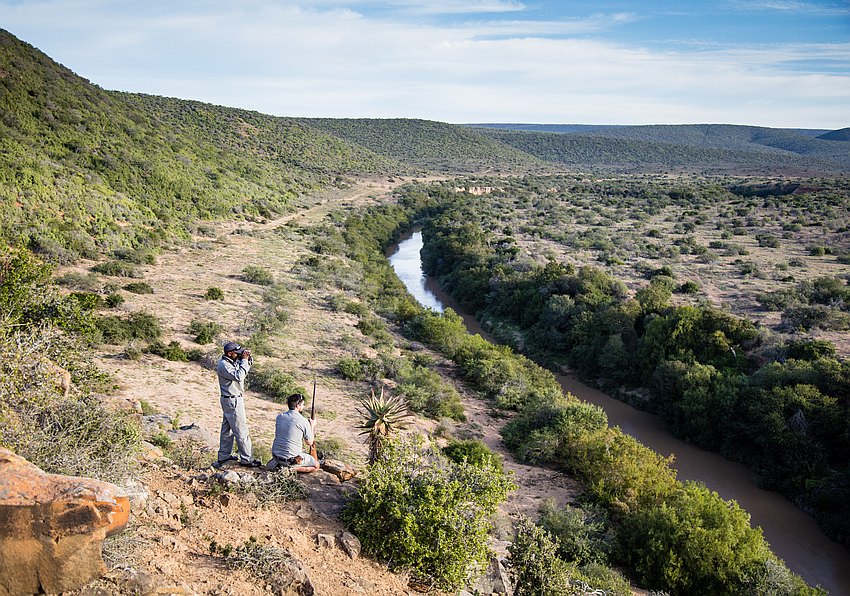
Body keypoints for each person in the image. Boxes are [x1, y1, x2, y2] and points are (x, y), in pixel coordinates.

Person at [213, 341, 260, 468]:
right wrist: (244, 361)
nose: (239, 355)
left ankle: (224, 456)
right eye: (236, 353)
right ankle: (247, 459)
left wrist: (247, 360)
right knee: (241, 430)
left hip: (230, 399)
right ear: (229, 353)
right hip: (233, 401)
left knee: (227, 430)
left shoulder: (230, 362)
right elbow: (239, 375)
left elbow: (243, 369)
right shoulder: (224, 365)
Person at [271, 393, 319, 473]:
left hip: (276, 457)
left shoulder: (279, 417)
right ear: (298, 406)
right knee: (316, 466)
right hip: (291, 460)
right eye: (302, 404)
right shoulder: (303, 421)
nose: (303, 407)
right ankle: (293, 469)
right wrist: (312, 426)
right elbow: (309, 442)